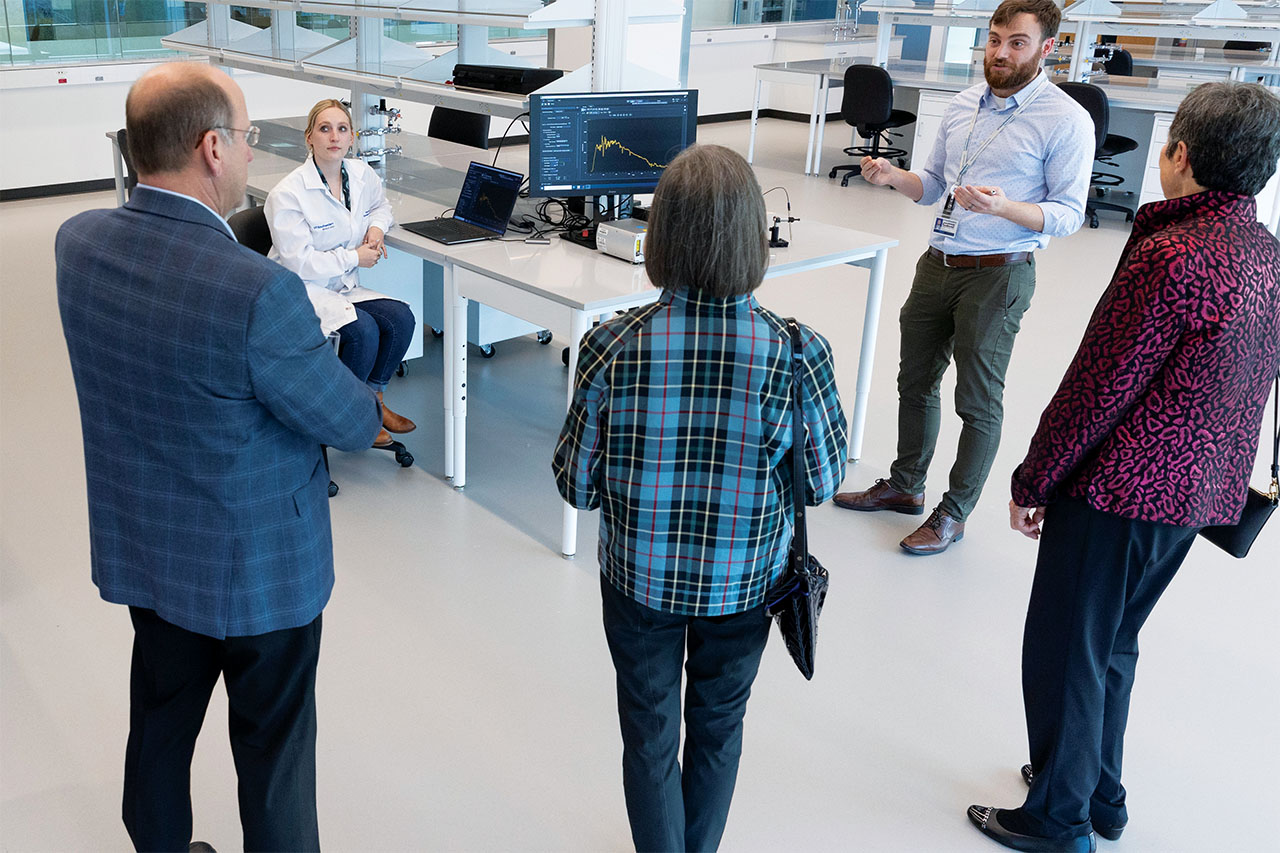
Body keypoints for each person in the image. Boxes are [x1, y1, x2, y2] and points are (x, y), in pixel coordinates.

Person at [55, 63, 382, 852]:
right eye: (246, 137)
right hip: (258, 571)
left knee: (160, 726)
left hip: (149, 550)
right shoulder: (257, 292)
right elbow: (346, 421)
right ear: (211, 148)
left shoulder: (78, 244)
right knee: (273, 757)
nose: (248, 153)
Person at [967, 82, 1280, 853]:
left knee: (1068, 647)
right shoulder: (1264, 251)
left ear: (1178, 154)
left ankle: (1059, 819)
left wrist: (1035, 477)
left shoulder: (1172, 253)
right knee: (1113, 642)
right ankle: (1099, 792)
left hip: (1120, 491)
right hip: (1198, 494)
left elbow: (1099, 384)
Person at [553, 144, 848, 852]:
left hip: (638, 582)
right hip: (745, 583)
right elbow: (821, 481)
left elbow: (575, 484)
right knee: (719, 727)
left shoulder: (608, 345)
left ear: (662, 237)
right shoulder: (799, 352)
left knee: (649, 735)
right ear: (753, 236)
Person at [833, 0, 1094, 555]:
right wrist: (892, 176)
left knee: (977, 401)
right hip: (938, 263)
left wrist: (1005, 209)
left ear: (1047, 48)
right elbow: (931, 184)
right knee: (914, 381)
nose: (1000, 52)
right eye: (994, 39)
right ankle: (905, 486)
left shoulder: (1067, 119)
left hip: (999, 274)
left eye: (1016, 43)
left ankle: (954, 512)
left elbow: (1069, 213)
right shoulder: (959, 105)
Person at [265, 98, 417, 448]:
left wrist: (377, 230)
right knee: (363, 331)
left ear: (352, 138)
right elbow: (298, 262)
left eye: (342, 129)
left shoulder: (361, 174)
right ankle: (345, 415)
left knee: (400, 319)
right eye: (324, 128)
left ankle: (374, 402)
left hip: (342, 285)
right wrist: (353, 257)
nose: (334, 136)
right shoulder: (288, 193)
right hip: (301, 288)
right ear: (309, 138)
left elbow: (382, 207)